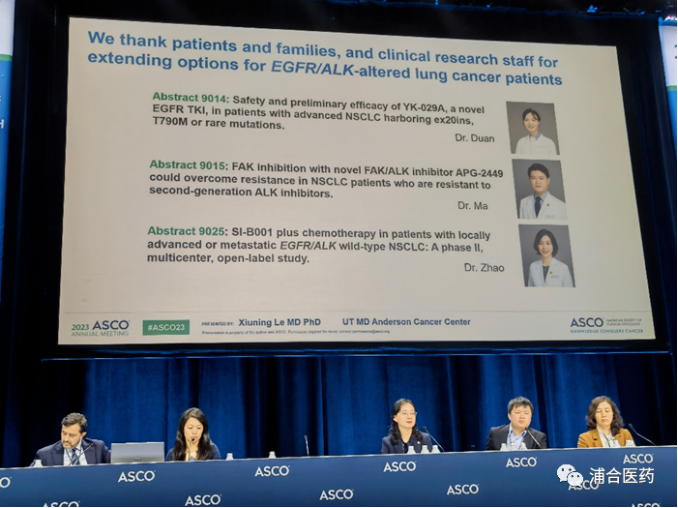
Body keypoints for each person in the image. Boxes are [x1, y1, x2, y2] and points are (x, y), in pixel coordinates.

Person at [30, 413, 110, 466]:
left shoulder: (98, 448)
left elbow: (115, 468)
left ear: (82, 435)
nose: (66, 439)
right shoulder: (45, 454)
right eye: (64, 433)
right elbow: (30, 478)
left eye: (72, 435)